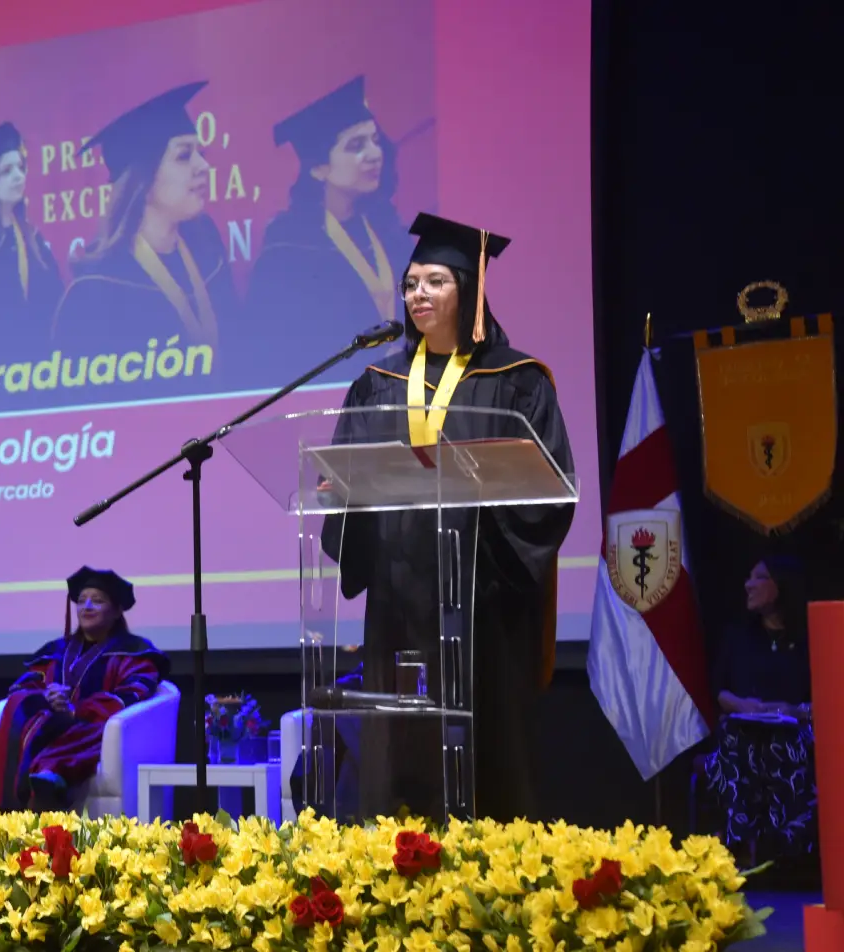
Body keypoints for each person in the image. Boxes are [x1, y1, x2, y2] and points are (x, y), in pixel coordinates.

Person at [308, 212, 575, 824]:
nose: (417, 294)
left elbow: (549, 490)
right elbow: (344, 478)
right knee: (395, 751)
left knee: (486, 757)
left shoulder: (517, 382)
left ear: (470, 292)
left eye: (434, 281)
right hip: (397, 602)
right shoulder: (377, 382)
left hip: (480, 602)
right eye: (410, 284)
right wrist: (339, 495)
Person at [51, 82, 237, 396]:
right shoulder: (97, 291)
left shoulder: (208, 252)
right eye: (183, 156)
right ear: (143, 179)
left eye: (200, 153)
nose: (203, 166)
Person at [242, 77, 412, 386]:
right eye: (356, 146)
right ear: (318, 168)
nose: (375, 153)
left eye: (375, 140)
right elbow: (272, 352)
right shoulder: (288, 248)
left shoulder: (388, 230)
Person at [0, 567, 169, 812]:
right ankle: (19, 798)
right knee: (21, 707)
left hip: (94, 727)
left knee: (98, 733)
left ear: (117, 611)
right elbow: (22, 686)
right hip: (49, 724)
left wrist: (77, 711)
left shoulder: (134, 652)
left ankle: (50, 773)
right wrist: (46, 696)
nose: (87, 606)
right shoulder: (55, 651)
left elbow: (132, 694)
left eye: (97, 601)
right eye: (82, 600)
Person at [704, 556, 816, 864]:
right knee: (733, 742)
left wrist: (793, 709)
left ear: (780, 587)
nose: (748, 584)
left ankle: (786, 852)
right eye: (748, 577)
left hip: (793, 729)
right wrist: (742, 705)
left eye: (758, 578)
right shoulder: (738, 635)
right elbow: (720, 691)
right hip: (745, 730)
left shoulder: (810, 638)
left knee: (789, 748)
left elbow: (826, 698)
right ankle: (738, 844)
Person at [0, 121, 65, 362]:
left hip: (39, 367)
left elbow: (55, 300)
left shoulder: (32, 238)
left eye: (21, 168)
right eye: (6, 171)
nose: (18, 177)